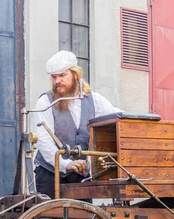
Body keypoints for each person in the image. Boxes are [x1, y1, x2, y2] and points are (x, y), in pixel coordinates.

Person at [32, 50, 122, 199]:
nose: (57, 81)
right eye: (54, 77)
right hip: (49, 174)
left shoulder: (95, 100)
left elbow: (113, 118)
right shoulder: (46, 102)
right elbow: (44, 141)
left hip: (81, 174)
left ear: (75, 75)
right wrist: (64, 164)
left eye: (62, 75)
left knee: (81, 218)